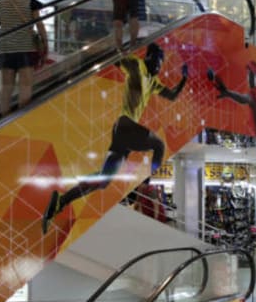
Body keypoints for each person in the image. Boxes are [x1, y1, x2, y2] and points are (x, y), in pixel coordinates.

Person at [42, 43, 188, 233]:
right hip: (125, 125)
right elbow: (116, 58)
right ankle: (145, 183)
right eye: (159, 61)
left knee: (103, 181)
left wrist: (184, 78)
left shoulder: (153, 81)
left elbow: (173, 95)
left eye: (162, 63)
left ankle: (61, 201)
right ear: (151, 57)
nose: (160, 67)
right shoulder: (137, 65)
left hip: (122, 134)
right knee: (159, 145)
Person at [0, 0, 48, 116]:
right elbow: (40, 25)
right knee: (25, 86)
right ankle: (21, 119)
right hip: (26, 49)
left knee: (7, 88)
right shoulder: (31, 3)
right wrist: (45, 45)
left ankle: (4, 120)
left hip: (6, 50)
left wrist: (5, 19)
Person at [206, 62, 256, 139]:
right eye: (248, 74)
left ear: (255, 77)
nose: (248, 77)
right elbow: (245, 99)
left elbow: (243, 99)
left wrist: (228, 93)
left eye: (250, 75)